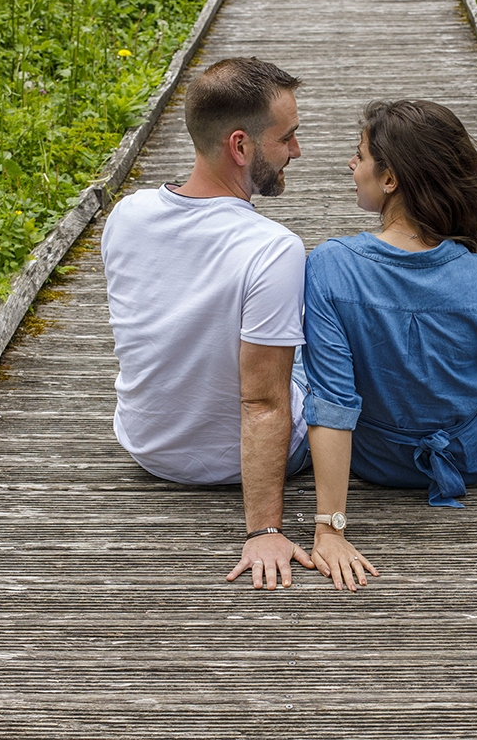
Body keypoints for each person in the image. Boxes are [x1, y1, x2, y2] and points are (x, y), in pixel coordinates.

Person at [303, 100, 477, 591]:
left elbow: (334, 404)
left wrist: (330, 528)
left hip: (376, 461)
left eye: (361, 155)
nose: (352, 164)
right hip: (473, 458)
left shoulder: (329, 264)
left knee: (305, 373)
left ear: (390, 180)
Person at [101, 57, 314, 592]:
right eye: (286, 138)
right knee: (334, 328)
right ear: (240, 147)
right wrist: (264, 529)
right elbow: (263, 403)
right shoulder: (272, 249)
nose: (296, 151)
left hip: (148, 448)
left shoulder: (126, 215)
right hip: (235, 461)